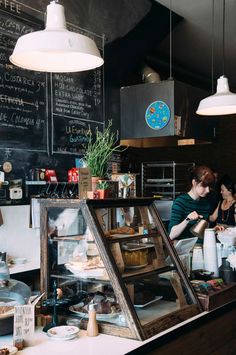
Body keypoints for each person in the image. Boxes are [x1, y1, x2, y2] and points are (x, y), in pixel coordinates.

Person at [168, 165, 215, 242]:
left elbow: (201, 232)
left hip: (201, 247)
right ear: (194, 182)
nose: (208, 190)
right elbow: (171, 235)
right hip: (185, 248)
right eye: (204, 186)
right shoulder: (180, 202)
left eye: (209, 186)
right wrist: (187, 219)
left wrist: (213, 230)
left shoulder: (206, 204)